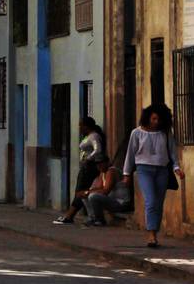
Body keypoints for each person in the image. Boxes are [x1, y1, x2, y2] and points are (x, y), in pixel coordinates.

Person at [123, 103, 184, 248]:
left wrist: (176, 168)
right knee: (150, 200)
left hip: (162, 170)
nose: (156, 122)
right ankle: (150, 234)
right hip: (144, 170)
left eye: (159, 120)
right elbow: (130, 154)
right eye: (154, 119)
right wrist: (127, 173)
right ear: (148, 118)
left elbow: (172, 153)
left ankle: (154, 233)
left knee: (158, 203)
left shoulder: (166, 133)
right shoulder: (136, 133)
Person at [56, 116, 108, 225]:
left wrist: (88, 159)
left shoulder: (94, 136)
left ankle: (70, 215)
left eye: (81, 126)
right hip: (85, 167)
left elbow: (98, 149)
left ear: (86, 126)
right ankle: (78, 215)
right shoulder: (88, 136)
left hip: (89, 167)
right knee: (81, 191)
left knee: (81, 191)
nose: (80, 128)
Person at [84, 162, 133, 227]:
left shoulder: (111, 171)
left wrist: (90, 192)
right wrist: (87, 192)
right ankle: (92, 218)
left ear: (107, 163)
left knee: (93, 196)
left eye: (101, 163)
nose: (99, 166)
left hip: (121, 203)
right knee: (85, 196)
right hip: (114, 201)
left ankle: (100, 220)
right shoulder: (103, 173)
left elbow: (105, 191)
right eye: (97, 165)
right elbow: (99, 187)